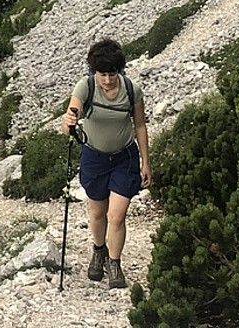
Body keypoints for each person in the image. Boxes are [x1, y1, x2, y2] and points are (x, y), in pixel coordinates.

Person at [59, 37, 151, 289]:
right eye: (102, 74)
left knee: (117, 214)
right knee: (98, 212)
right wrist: (69, 122)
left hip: (125, 156)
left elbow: (140, 125)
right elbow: (69, 120)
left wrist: (146, 162)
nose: (108, 80)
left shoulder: (132, 90)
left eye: (112, 74)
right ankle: (98, 250)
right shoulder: (85, 87)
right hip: (95, 157)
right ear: (94, 72)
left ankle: (114, 263)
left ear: (119, 71)